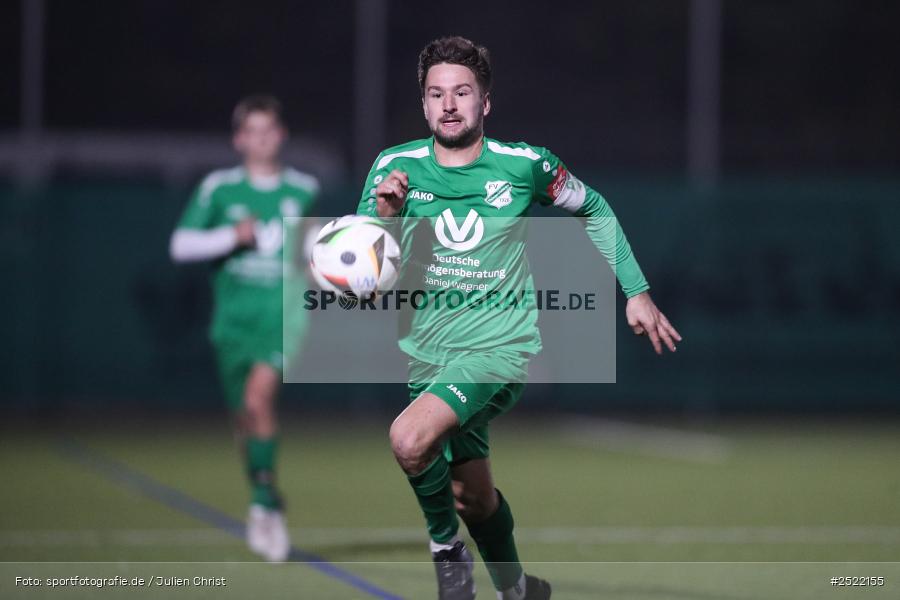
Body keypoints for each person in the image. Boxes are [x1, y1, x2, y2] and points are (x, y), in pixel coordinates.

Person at [356, 37, 681, 599]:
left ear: (486, 102)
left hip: (498, 351)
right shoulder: (392, 168)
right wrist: (385, 217)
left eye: (462, 92)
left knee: (409, 440)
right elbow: (363, 286)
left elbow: (594, 206)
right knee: (473, 499)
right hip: (428, 357)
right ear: (424, 104)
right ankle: (519, 590)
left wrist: (635, 291)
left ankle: (447, 559)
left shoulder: (526, 165)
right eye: (436, 94)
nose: (449, 104)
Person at [170, 95, 319, 562]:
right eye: (251, 131)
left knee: (258, 400)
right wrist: (231, 237)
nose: (261, 139)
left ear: (282, 135)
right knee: (244, 420)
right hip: (233, 322)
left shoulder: (304, 188)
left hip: (284, 317)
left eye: (269, 130)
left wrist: (338, 273)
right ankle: (267, 491)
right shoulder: (219, 188)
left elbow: (309, 254)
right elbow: (180, 245)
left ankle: (262, 510)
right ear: (239, 139)